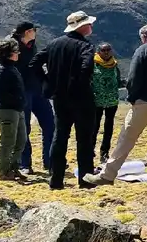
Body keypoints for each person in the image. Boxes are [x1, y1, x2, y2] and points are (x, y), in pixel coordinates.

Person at [84, 24, 147, 187]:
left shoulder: (143, 50)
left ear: (144, 37)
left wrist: (132, 97)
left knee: (127, 138)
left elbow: (134, 77)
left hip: (145, 102)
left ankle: (107, 175)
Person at [30, 11, 97, 189]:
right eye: (89, 24)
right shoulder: (85, 46)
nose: (91, 26)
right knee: (84, 139)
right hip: (82, 98)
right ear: (82, 26)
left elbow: (34, 63)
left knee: (60, 137)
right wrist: (80, 84)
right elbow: (87, 67)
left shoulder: (53, 44)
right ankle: (85, 180)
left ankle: (56, 179)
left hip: (59, 97)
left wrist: (47, 82)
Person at [11, 21, 54, 174]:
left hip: (38, 91)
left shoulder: (32, 45)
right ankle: (25, 164)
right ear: (28, 31)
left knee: (50, 124)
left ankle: (50, 161)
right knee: (24, 129)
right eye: (34, 30)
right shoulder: (12, 46)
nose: (36, 32)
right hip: (23, 92)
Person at [0, 39, 27, 182]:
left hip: (17, 109)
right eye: (15, 51)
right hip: (7, 109)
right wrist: (16, 100)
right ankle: (3, 171)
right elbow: (2, 92)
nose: (18, 53)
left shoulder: (12, 68)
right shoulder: (0, 71)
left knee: (21, 140)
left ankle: (13, 167)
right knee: (8, 141)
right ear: (8, 54)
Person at [91, 43, 123, 164]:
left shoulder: (115, 65)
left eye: (108, 50)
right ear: (98, 52)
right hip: (96, 101)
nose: (106, 52)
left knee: (108, 128)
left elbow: (118, 81)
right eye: (103, 50)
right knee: (94, 126)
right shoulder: (93, 64)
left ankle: (104, 152)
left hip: (112, 101)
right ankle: (90, 149)